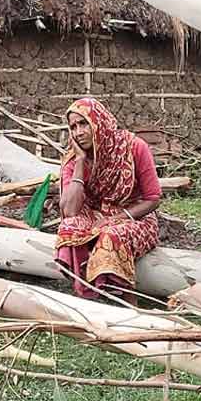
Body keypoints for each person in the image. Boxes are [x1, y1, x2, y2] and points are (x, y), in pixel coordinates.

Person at [55, 98, 161, 300]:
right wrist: (79, 161)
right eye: (73, 127)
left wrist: (119, 217)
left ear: (99, 120)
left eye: (84, 123)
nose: (78, 132)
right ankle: (86, 292)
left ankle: (123, 296)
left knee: (110, 236)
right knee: (69, 228)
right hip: (96, 216)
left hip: (136, 218)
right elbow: (69, 211)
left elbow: (153, 198)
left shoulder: (134, 147)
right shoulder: (73, 159)